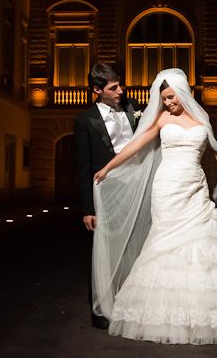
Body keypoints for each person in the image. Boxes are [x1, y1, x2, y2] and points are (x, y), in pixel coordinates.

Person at [91, 68, 217, 344]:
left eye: (172, 97)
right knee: (165, 241)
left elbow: (216, 152)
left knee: (203, 238)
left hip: (195, 188)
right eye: (164, 99)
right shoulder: (162, 118)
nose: (169, 103)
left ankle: (204, 310)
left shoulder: (202, 118)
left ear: (184, 92)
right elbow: (136, 146)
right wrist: (107, 168)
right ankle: (159, 312)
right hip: (167, 188)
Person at [74, 62, 141, 329]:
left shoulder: (133, 107)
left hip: (136, 189)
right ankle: (101, 309)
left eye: (120, 85)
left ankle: (132, 303)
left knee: (135, 246)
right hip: (106, 195)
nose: (121, 91)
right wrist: (87, 209)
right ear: (96, 89)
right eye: (114, 88)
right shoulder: (84, 120)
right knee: (103, 251)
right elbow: (83, 168)